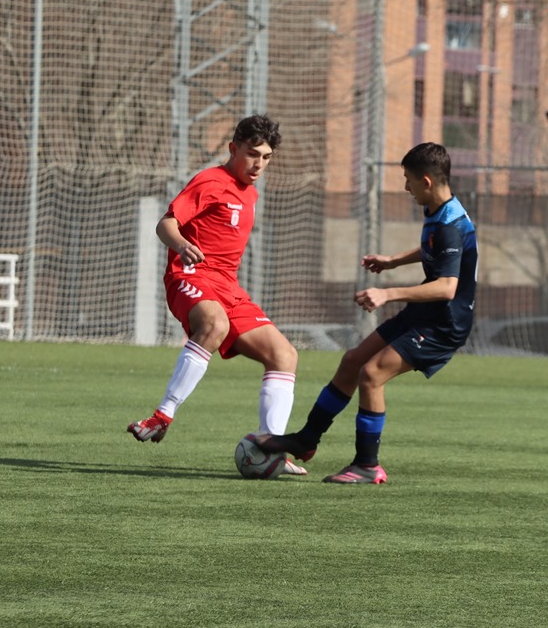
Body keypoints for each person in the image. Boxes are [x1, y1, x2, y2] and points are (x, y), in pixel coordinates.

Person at [255, 142, 476, 484]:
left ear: (427, 181)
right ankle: (306, 439)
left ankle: (367, 465)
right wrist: (393, 261)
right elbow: (436, 249)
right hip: (426, 313)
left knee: (371, 374)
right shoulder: (440, 210)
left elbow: (447, 287)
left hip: (444, 324)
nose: (406, 187)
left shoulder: (449, 224)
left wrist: (387, 293)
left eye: (408, 180)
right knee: (352, 361)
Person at [127, 115, 301, 470]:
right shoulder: (210, 181)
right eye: (252, 154)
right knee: (214, 323)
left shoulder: (250, 192)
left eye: (266, 157)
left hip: (228, 286)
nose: (259, 164)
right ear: (233, 149)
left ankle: (271, 448)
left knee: (284, 355)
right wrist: (182, 245)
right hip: (191, 274)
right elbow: (165, 224)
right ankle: (162, 416)